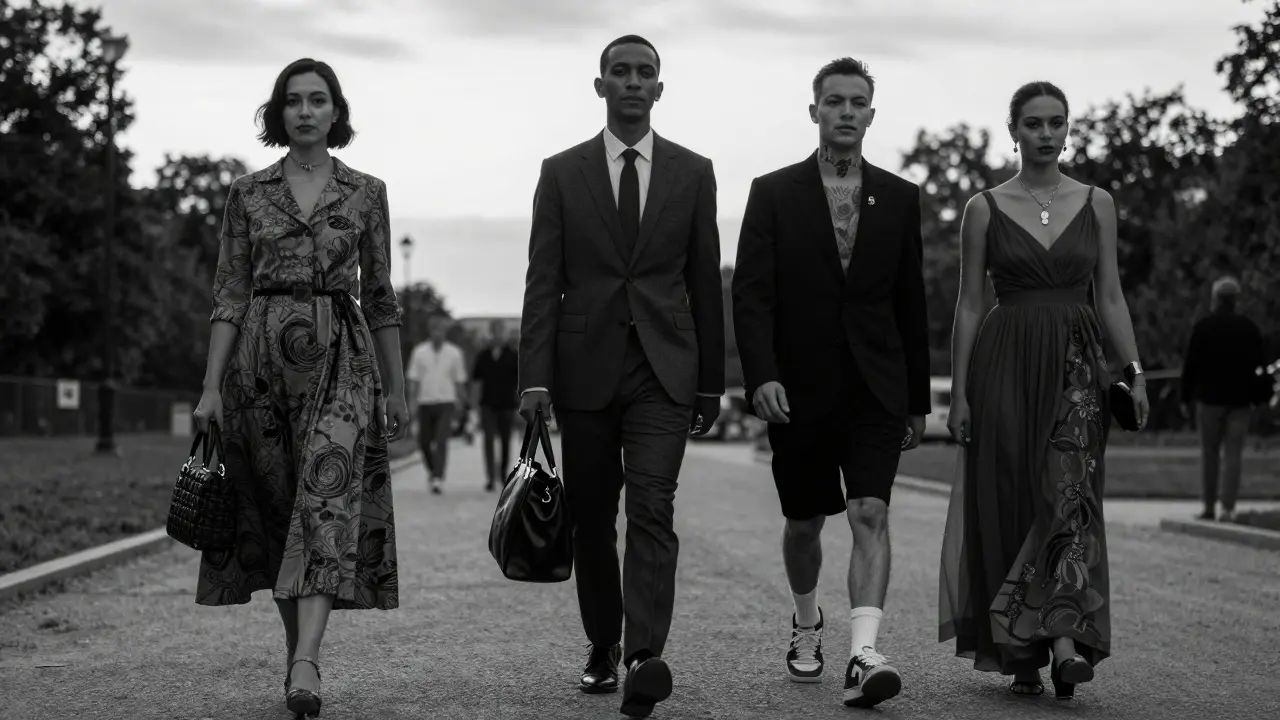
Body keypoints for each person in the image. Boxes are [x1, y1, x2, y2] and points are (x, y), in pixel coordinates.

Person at [190, 58, 408, 719]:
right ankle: (300, 664)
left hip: (342, 358)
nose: (306, 111)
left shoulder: (366, 191)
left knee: (325, 503)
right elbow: (228, 292)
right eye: (293, 101)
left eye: (318, 100)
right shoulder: (246, 193)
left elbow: (383, 298)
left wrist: (394, 389)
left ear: (336, 112)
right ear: (277, 113)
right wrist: (209, 389)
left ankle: (307, 659)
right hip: (258, 364)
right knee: (283, 509)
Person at [517, 34, 724, 719]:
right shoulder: (562, 171)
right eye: (621, 73)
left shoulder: (694, 173)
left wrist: (711, 381)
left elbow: (703, 281)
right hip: (583, 373)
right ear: (600, 85)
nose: (633, 83)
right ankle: (604, 644)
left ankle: (645, 656)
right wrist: (533, 377)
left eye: (646, 74)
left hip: (665, 368)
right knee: (592, 518)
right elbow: (543, 280)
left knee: (653, 507)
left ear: (659, 89)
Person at [939, 81, 1150, 702]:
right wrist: (959, 395)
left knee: (1068, 494)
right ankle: (1021, 649)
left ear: (1067, 129)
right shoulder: (984, 208)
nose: (1047, 133)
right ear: (1014, 131)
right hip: (1003, 361)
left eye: (1056, 122)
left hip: (1078, 367)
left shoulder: (1098, 203)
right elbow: (970, 303)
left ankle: (1062, 639)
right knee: (1011, 494)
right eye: (1034, 123)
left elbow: (1110, 295)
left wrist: (1132, 370)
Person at [731, 57, 930, 710]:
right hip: (799, 388)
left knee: (871, 511)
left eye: (858, 102)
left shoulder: (900, 198)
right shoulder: (773, 192)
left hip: (876, 385)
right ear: (813, 110)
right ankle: (808, 622)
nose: (846, 111)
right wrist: (760, 375)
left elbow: (910, 302)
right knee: (804, 521)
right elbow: (752, 295)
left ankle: (863, 650)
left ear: (871, 114)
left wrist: (917, 400)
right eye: (834, 101)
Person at [1180, 276, 1271, 522]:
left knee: (1209, 454)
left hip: (1209, 401)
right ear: (1236, 301)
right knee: (1233, 454)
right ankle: (1228, 507)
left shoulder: (1204, 327)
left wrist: (1185, 397)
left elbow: (1191, 365)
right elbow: (1260, 367)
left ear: (1216, 300)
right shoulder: (1249, 328)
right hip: (1241, 402)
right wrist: (1262, 397)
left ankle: (1209, 506)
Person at [407, 315, 468, 494]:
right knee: (424, 442)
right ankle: (433, 470)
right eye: (434, 330)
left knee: (441, 441)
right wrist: (412, 402)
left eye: (440, 330)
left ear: (445, 332)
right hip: (424, 402)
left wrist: (462, 404)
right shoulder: (419, 352)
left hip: (446, 402)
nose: (437, 333)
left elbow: (459, 381)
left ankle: (437, 478)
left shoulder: (455, 353)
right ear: (430, 331)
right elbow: (414, 380)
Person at [472, 320, 520, 490]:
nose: (498, 335)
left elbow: (519, 382)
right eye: (495, 331)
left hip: (508, 404)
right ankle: (490, 477)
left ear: (506, 334)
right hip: (487, 405)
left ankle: (502, 474)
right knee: (489, 440)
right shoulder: (483, 355)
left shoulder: (513, 355)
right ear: (490, 334)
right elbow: (476, 380)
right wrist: (473, 405)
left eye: (501, 332)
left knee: (506, 440)